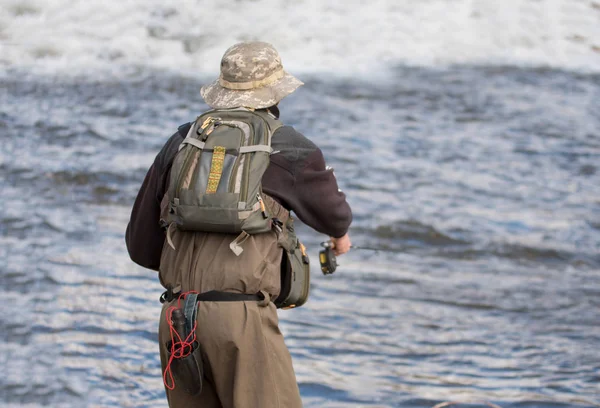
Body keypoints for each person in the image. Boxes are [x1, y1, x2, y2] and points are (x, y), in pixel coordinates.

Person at [126, 41, 352, 408]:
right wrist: (340, 236)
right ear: (276, 91)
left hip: (177, 320)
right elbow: (335, 214)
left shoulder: (181, 141)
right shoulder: (289, 148)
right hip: (242, 322)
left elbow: (140, 246)